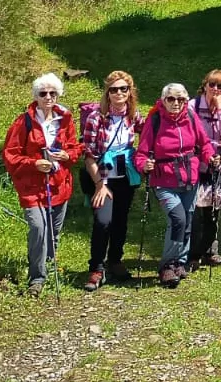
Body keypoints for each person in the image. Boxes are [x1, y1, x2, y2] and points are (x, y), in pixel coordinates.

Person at [2, 73, 82, 294]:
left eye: (52, 93)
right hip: (32, 187)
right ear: (35, 96)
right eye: (43, 93)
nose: (48, 97)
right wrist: (34, 163)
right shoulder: (23, 122)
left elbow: (75, 148)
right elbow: (10, 155)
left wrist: (68, 155)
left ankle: (47, 264)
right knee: (38, 227)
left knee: (52, 233)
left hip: (60, 184)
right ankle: (36, 278)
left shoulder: (65, 118)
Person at [134, 82, 217, 288]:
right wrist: (144, 165)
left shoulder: (190, 116)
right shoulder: (154, 120)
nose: (176, 103)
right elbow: (141, 153)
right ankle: (166, 266)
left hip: (190, 178)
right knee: (178, 219)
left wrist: (211, 157)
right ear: (163, 100)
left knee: (187, 222)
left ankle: (180, 262)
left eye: (181, 99)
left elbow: (204, 143)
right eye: (171, 98)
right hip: (164, 181)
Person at [79, 70, 146, 291]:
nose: (118, 93)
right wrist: (100, 184)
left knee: (121, 220)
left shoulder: (133, 115)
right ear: (107, 93)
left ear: (130, 92)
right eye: (114, 89)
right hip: (102, 174)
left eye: (123, 89)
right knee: (103, 220)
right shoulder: (96, 117)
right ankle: (96, 267)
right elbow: (88, 155)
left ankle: (115, 260)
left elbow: (148, 132)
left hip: (124, 173)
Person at [190, 71, 221, 268]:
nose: (215, 90)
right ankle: (192, 253)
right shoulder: (192, 106)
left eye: (220, 87)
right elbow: (191, 135)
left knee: (214, 209)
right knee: (195, 209)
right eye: (212, 85)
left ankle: (210, 251)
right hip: (198, 165)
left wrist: (220, 110)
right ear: (205, 84)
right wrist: (213, 145)